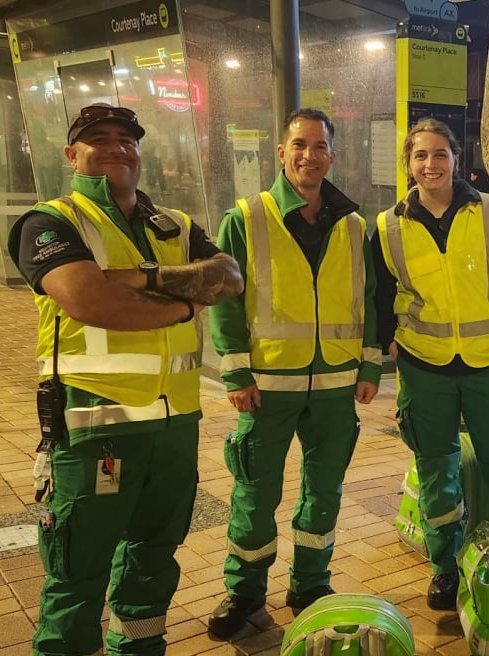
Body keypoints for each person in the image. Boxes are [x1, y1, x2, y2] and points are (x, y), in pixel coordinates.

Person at [7, 103, 243, 656]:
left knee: (154, 556)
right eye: (98, 139)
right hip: (96, 427)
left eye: (126, 139)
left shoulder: (175, 225)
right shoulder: (51, 222)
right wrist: (183, 306)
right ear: (72, 154)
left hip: (175, 427)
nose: (116, 147)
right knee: (78, 567)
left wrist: (144, 277)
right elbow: (90, 300)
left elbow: (228, 277)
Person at [206, 107, 381, 638]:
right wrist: (235, 374)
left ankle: (310, 582)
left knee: (324, 490)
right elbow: (223, 301)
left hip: (335, 385)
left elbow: (369, 298)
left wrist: (370, 363)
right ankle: (244, 593)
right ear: (281, 153)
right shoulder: (246, 218)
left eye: (319, 146)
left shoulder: (353, 224)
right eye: (299, 145)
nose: (309, 155)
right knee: (255, 493)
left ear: (332, 155)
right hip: (268, 387)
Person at [372, 118, 489, 621]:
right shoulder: (388, 226)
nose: (430, 164)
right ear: (408, 163)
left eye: (439, 154)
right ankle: (445, 566)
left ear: (456, 158)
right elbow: (382, 295)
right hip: (424, 366)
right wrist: (387, 344)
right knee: (435, 471)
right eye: (420, 156)